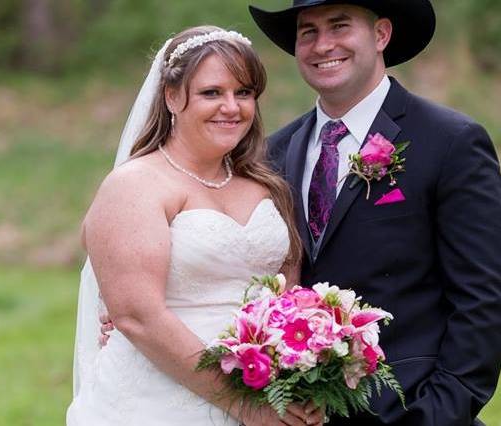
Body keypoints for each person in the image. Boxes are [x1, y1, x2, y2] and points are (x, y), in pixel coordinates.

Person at [246, 0, 501, 425]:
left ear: (381, 35)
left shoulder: (450, 142)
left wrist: (436, 414)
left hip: (412, 410)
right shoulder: (273, 154)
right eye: (308, 31)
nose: (323, 45)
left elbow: (485, 299)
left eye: (339, 26)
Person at [66, 26, 325, 426]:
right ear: (171, 96)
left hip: (265, 391)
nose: (231, 107)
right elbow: (137, 315)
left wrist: (304, 379)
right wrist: (242, 405)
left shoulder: (265, 185)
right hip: (159, 402)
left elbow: (286, 295)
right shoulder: (136, 185)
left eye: (244, 93)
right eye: (211, 93)